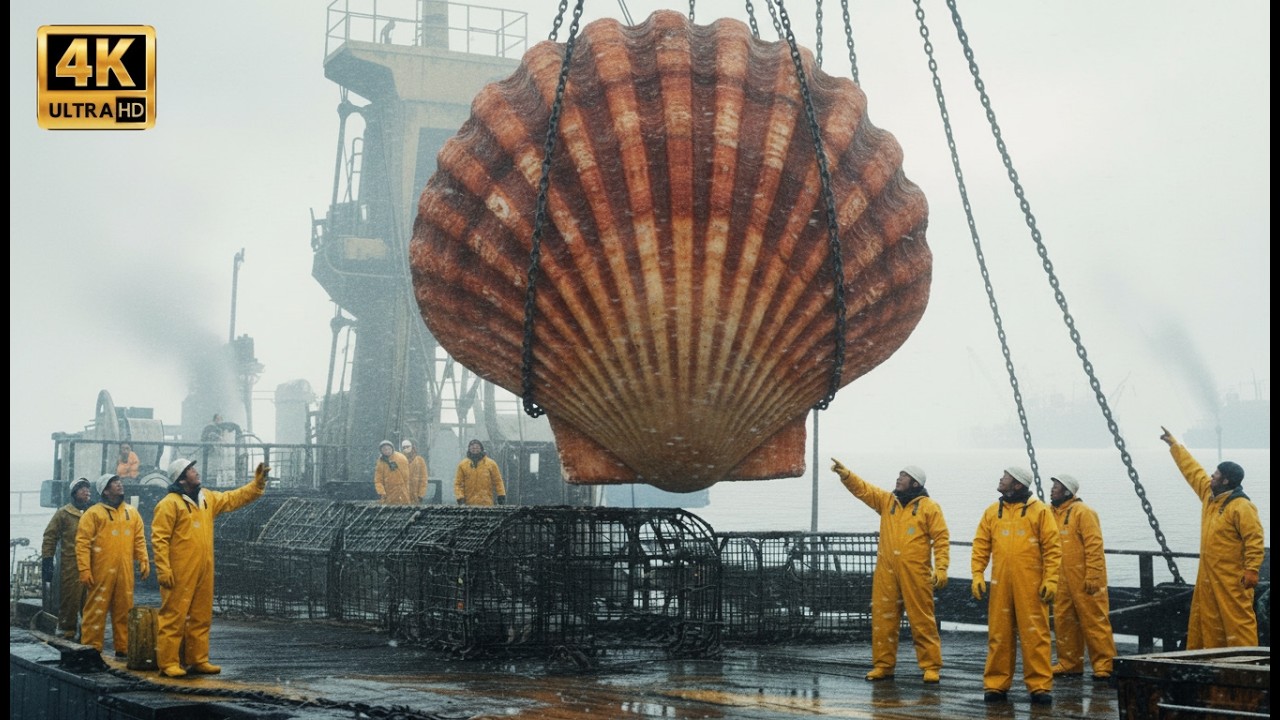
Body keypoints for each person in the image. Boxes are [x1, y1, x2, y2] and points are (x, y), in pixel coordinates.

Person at [831, 460, 950, 683]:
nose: (898, 478)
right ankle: (883, 665)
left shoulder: (929, 507)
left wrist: (941, 568)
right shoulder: (888, 502)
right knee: (883, 620)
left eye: (904, 476)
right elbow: (864, 490)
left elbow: (941, 538)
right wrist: (847, 475)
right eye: (899, 475)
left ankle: (931, 666)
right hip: (887, 571)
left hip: (917, 573)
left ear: (915, 483)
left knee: (922, 620)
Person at [151, 458, 268, 678]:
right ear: (181, 478)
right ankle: (168, 663)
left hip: (204, 567)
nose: (196, 472)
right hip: (179, 570)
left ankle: (198, 659)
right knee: (173, 616)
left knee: (201, 615)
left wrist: (257, 484)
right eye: (190, 469)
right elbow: (160, 539)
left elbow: (233, 498)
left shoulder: (206, 498)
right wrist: (163, 569)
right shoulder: (169, 504)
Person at [1160, 427, 1265, 648]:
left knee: (1238, 623)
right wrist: (1175, 446)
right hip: (1209, 576)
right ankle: (1211, 662)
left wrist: (1252, 569)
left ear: (1225, 481)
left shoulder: (1242, 507)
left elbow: (1254, 540)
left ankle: (1245, 663)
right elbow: (1193, 471)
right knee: (1208, 622)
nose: (1210, 476)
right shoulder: (1210, 497)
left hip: (1232, 579)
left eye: (1215, 474)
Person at [971, 466, 1062, 705]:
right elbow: (981, 544)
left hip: (1031, 585)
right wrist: (977, 574)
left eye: (1006, 477)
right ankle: (996, 685)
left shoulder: (1039, 511)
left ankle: (1039, 686)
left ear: (1018, 484)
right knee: (999, 635)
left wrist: (1051, 579)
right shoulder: (993, 512)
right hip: (1001, 584)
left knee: (1036, 635)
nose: (1001, 479)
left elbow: (1052, 548)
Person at [1048, 474, 1116, 681]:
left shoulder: (1084, 512)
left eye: (1056, 487)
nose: (1052, 490)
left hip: (1085, 577)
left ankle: (1104, 665)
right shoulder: (1050, 513)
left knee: (1094, 620)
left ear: (1067, 491)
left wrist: (1094, 574)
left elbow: (1094, 545)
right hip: (1061, 579)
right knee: (1064, 621)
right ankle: (1069, 663)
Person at [75, 473, 150, 657]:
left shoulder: (131, 512)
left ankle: (123, 647)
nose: (119, 485)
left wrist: (143, 559)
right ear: (105, 491)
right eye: (114, 483)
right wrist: (84, 569)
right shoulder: (93, 514)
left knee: (125, 610)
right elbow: (82, 543)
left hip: (125, 572)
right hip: (100, 572)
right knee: (95, 611)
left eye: (119, 482)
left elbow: (139, 539)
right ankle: (91, 649)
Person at [40, 477, 92, 639]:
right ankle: (66, 632)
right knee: (70, 600)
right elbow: (50, 537)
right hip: (71, 565)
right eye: (82, 488)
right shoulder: (63, 513)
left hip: (92, 564)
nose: (86, 491)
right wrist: (47, 560)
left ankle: (89, 634)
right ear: (74, 493)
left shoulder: (93, 513)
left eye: (87, 488)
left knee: (91, 601)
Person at [454, 439, 506, 506]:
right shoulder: (462, 465)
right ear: (469, 449)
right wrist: (460, 498)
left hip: (486, 504)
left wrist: (501, 495)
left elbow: (498, 481)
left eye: (477, 447)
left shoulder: (491, 464)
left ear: (481, 449)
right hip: (468, 505)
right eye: (473, 447)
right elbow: (458, 484)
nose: (475, 449)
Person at [374, 440, 415, 504]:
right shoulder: (380, 461)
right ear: (381, 451)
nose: (387, 451)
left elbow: (406, 478)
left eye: (389, 449)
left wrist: (405, 490)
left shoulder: (401, 458)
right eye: (384, 449)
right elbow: (378, 480)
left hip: (401, 492)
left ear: (392, 448)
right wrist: (381, 492)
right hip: (387, 493)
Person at [401, 439, 430, 504]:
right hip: (402, 496)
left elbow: (424, 479)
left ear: (412, 447)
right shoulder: (400, 460)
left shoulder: (419, 460)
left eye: (407, 446)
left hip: (415, 496)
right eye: (404, 447)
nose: (406, 449)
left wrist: (421, 494)